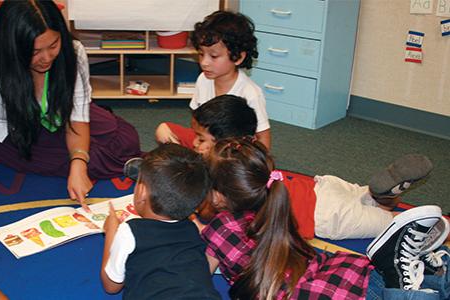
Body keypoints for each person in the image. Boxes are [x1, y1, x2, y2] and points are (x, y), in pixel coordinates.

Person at [0, 0, 141, 221]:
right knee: (94, 157)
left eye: (53, 45)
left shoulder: (73, 51)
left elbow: (77, 118)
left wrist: (78, 163)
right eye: (35, 51)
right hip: (13, 131)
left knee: (127, 137)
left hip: (57, 114)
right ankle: (127, 165)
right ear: (13, 46)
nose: (47, 58)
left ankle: (113, 160)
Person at [200, 138, 450, 299]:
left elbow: (198, 276)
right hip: (341, 272)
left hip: (318, 293)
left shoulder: (218, 229)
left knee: (395, 284)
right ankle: (421, 268)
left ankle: (400, 272)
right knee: (416, 279)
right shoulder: (274, 203)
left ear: (219, 195)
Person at [184, 95, 437, 240]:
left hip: (327, 215)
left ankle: (400, 209)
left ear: (224, 145)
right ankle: (384, 194)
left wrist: (197, 221)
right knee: (367, 198)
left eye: (200, 139)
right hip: (323, 186)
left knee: (397, 225)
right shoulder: (251, 160)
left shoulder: (230, 189)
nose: (194, 143)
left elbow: (215, 224)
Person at [100, 144, 220, 299]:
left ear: (142, 191)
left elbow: (111, 286)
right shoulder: (192, 230)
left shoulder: (130, 231)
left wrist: (111, 232)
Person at [155, 10, 271, 149]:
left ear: (238, 57)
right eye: (201, 54)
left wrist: (261, 168)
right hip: (206, 141)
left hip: (232, 151)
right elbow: (196, 124)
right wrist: (199, 142)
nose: (204, 62)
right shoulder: (203, 80)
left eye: (214, 56)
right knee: (163, 130)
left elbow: (263, 137)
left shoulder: (250, 93)